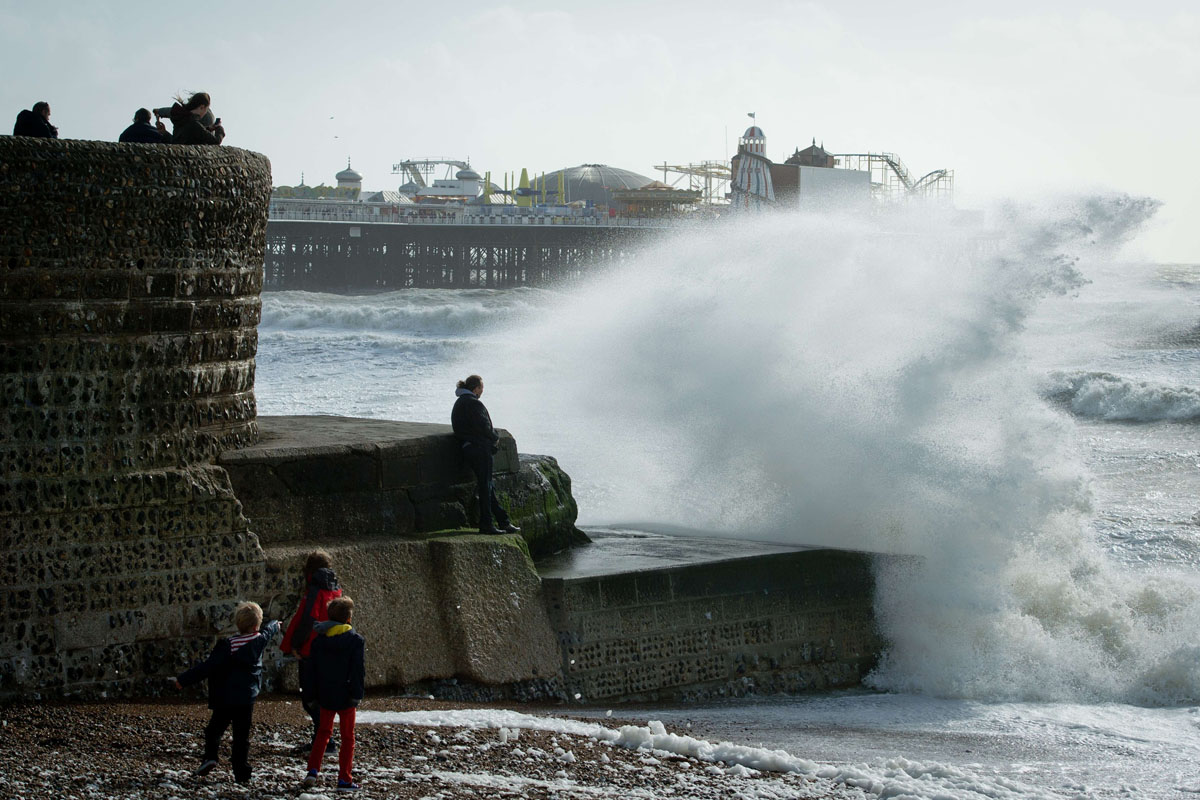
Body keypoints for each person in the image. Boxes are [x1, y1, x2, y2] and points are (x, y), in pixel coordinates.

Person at [173, 602, 280, 784]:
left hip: (225, 696)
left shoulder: (228, 645)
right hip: (246, 698)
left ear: (238, 624)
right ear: (256, 626)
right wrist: (275, 625)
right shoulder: (259, 640)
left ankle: (211, 757)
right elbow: (268, 632)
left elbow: (208, 667)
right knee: (241, 737)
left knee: (214, 730)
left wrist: (183, 680)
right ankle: (241, 773)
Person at [281, 550, 343, 752]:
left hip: (311, 649)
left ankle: (326, 741)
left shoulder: (315, 588)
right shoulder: (335, 588)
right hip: (330, 647)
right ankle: (323, 740)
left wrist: (294, 645)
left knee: (310, 698)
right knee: (321, 697)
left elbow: (307, 618)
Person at [303, 597, 365, 792]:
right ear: (348, 618)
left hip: (325, 694)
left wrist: (311, 696)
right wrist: (357, 694)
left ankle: (312, 770)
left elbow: (310, 671)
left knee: (323, 733)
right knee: (348, 738)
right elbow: (358, 670)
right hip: (346, 695)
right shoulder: (355, 640)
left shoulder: (319, 641)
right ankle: (344, 779)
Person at [451, 374, 520, 535]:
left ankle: (503, 521)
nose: (482, 391)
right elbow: (485, 428)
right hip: (479, 449)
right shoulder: (474, 404)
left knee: (488, 486)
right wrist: (495, 438)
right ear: (475, 389)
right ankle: (486, 524)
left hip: (467, 448)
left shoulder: (459, 403)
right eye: (481, 388)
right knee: (485, 487)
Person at [155, 91, 224, 145]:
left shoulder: (181, 119)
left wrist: (164, 133)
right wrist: (219, 129)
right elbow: (215, 141)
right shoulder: (194, 124)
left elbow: (177, 142)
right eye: (206, 109)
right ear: (202, 107)